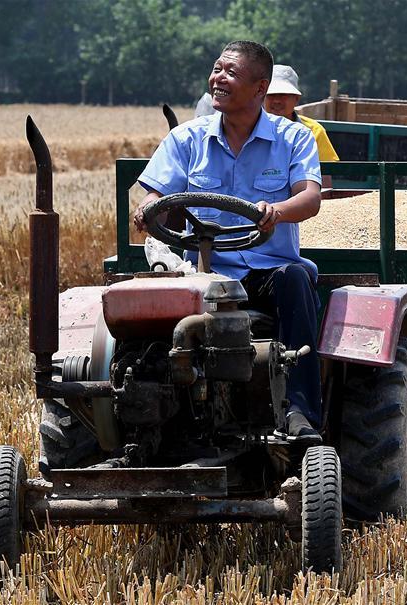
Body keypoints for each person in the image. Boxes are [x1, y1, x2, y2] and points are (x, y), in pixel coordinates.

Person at [133, 41, 324, 442]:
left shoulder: (293, 138)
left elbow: (309, 197)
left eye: (230, 73)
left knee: (296, 279)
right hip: (201, 276)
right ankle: (140, 414)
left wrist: (278, 211)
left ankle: (299, 411)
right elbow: (153, 193)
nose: (218, 79)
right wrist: (148, 208)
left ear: (260, 88)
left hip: (265, 274)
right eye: (217, 69)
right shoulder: (187, 139)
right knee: (136, 312)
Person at [264, 64, 338, 188]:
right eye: (271, 95)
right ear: (262, 97)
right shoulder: (249, 127)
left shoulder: (314, 131)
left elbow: (325, 176)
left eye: (283, 95)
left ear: (296, 99)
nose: (277, 100)